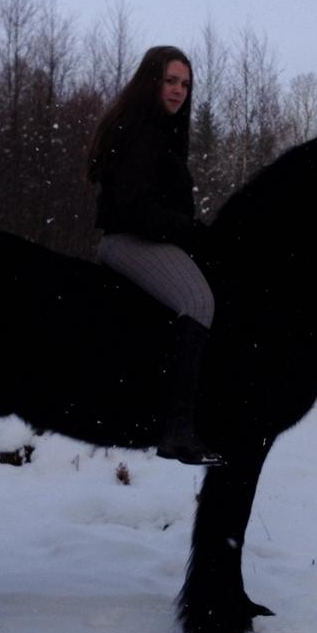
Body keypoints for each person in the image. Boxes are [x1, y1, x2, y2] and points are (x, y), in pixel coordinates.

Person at [87, 46, 224, 466]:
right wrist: (192, 233)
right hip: (128, 241)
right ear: (152, 80)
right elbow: (134, 209)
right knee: (198, 302)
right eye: (170, 80)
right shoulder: (142, 129)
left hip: (149, 237)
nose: (179, 90)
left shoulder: (162, 130)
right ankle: (177, 431)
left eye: (185, 84)